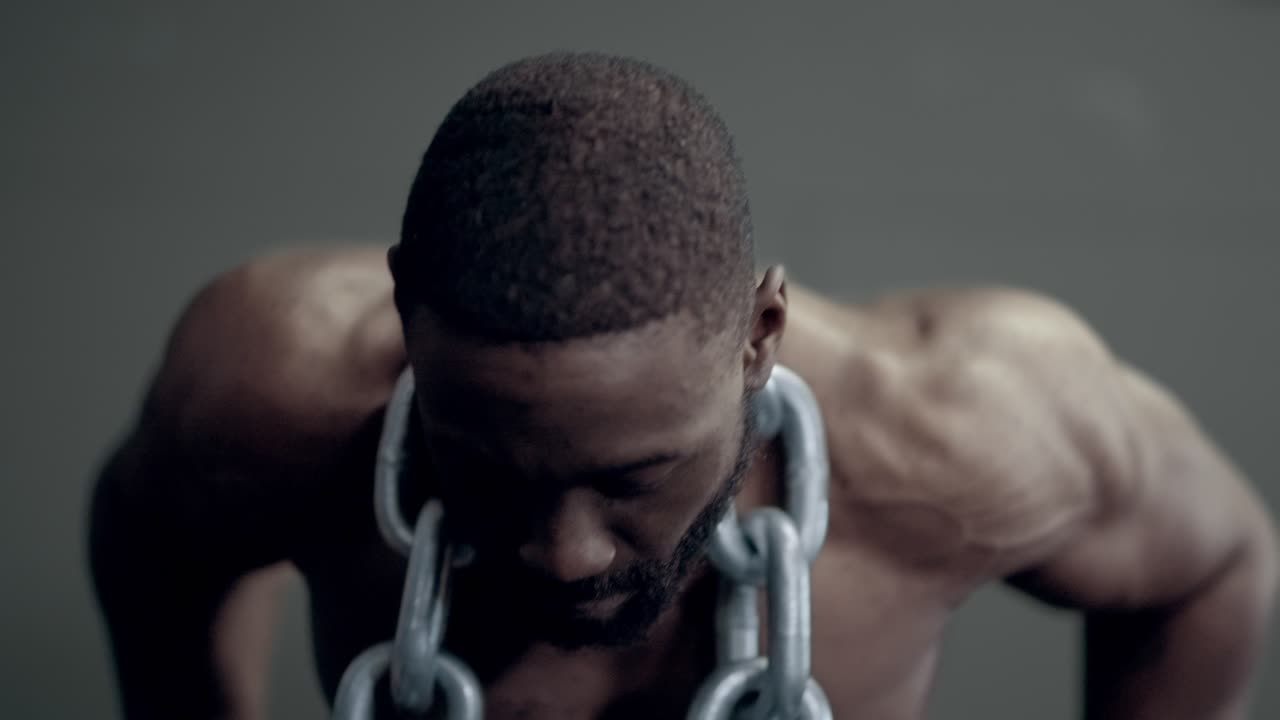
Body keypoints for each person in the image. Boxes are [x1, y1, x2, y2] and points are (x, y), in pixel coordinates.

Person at [89, 52, 1278, 720]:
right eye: (494, 470)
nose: (566, 555)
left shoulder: (970, 423)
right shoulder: (269, 385)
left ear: (760, 333)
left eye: (634, 476)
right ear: (408, 318)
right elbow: (149, 540)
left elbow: (1215, 562)